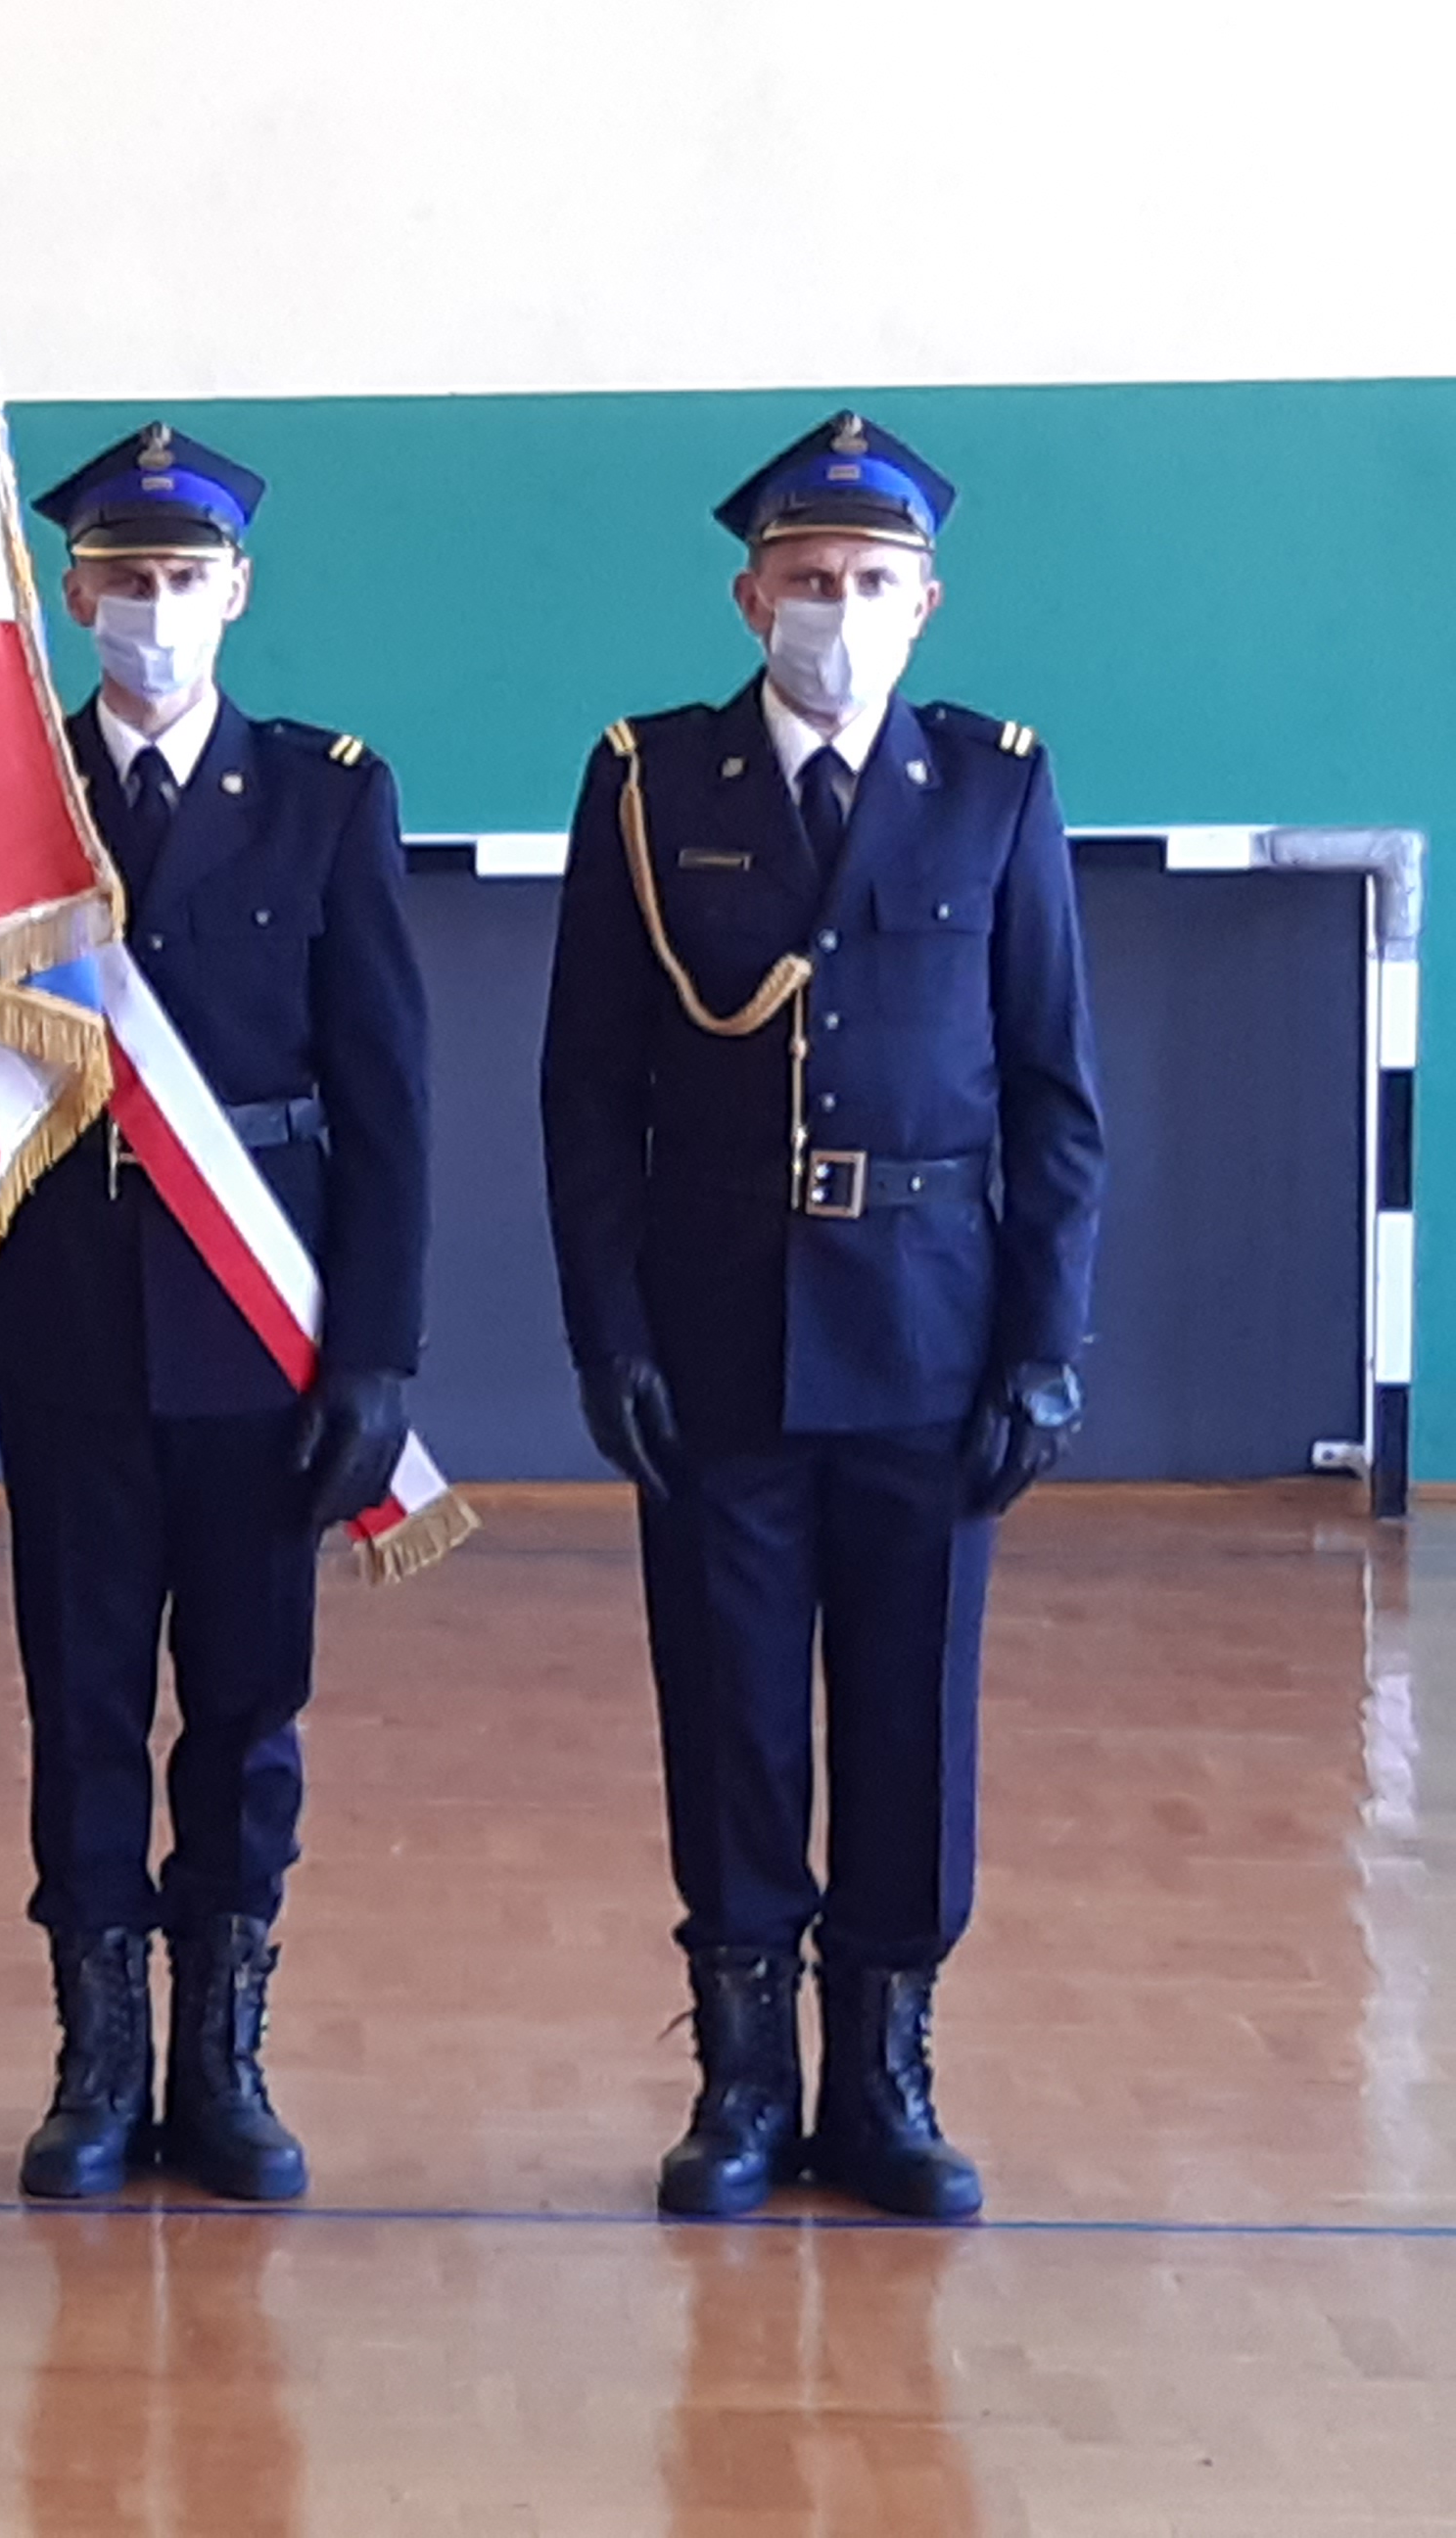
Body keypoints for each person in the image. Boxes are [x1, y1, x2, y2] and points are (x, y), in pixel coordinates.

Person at [539, 411, 1102, 2221]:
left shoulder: (995, 787)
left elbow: (1054, 1096)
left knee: (911, 1715)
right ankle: (741, 2083)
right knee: (732, 1714)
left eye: (869, 581)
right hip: (718, 1335)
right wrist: (608, 1331)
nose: (834, 611)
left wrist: (1044, 1346)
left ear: (925, 603)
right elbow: (587, 1094)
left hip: (933, 1335)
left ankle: (884, 2081)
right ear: (747, 597)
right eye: (805, 579)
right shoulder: (651, 786)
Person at [0, 424, 431, 2204]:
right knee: (82, 1702)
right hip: (68, 1322)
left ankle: (222, 2057)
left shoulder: (325, 796)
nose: (151, 609)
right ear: (73, 592)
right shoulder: (3, 794)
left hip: (261, 1327)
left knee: (245, 1709)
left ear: (237, 592)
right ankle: (97, 2062)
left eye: (182, 578)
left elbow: (386, 1098)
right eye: (123, 578)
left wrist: (377, 1348)